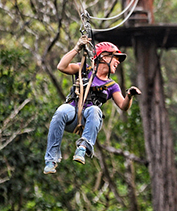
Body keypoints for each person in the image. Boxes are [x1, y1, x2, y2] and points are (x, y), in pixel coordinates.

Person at [43, 37, 141, 174]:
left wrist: (129, 95)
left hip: (89, 120)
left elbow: (123, 106)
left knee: (95, 110)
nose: (118, 62)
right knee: (60, 111)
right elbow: (61, 67)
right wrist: (77, 48)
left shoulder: (112, 86)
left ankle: (83, 147)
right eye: (116, 58)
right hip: (72, 113)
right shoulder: (84, 70)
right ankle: (51, 160)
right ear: (104, 58)